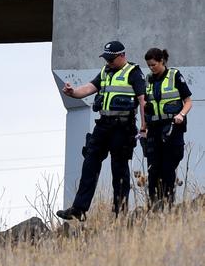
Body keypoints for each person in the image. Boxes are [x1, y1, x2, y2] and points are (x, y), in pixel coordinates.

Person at [56, 41, 146, 221]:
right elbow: (89, 88)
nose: (108, 62)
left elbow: (143, 100)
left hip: (123, 126)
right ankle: (78, 209)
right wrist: (73, 92)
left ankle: (120, 212)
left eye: (111, 59)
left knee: (118, 169)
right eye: (106, 58)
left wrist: (144, 126)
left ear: (122, 56)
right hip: (103, 125)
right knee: (90, 162)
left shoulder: (134, 73)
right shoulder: (105, 71)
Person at [141, 47, 192, 209]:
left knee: (168, 169)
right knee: (153, 170)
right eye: (149, 65)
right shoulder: (148, 79)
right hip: (154, 129)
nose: (151, 68)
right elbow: (144, 105)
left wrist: (181, 115)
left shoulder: (175, 75)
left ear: (162, 61)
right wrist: (144, 127)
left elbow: (188, 101)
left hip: (171, 128)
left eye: (154, 64)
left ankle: (168, 206)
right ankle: (153, 206)